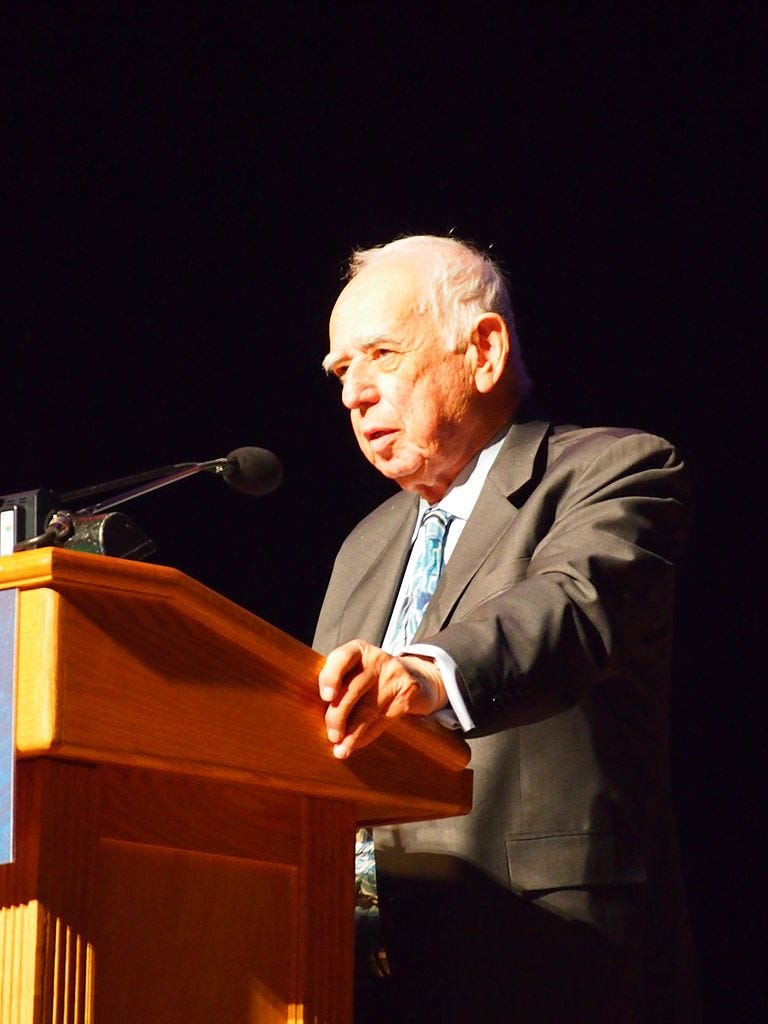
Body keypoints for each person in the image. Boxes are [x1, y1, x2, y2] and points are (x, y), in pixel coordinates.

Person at [314, 235, 697, 1022]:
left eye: (381, 355)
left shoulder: (613, 471)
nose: (354, 393)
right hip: (352, 959)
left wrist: (424, 673)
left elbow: (570, 608)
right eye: (341, 370)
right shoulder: (363, 546)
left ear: (484, 350)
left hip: (535, 948)